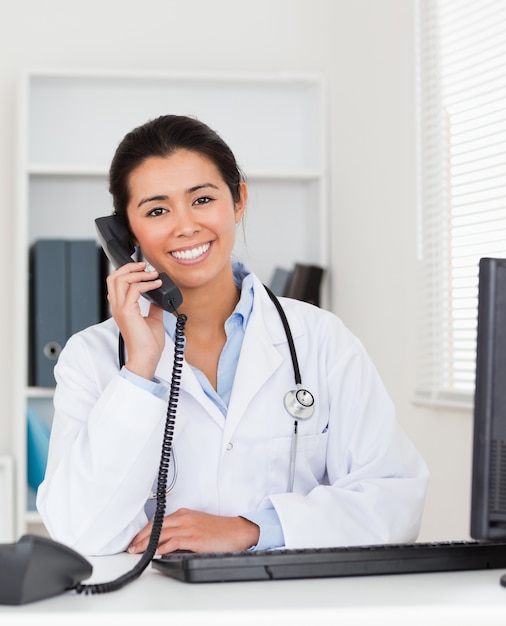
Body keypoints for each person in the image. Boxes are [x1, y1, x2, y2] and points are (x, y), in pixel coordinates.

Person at [37, 114, 429, 557]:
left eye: (202, 199)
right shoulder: (93, 358)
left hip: (292, 604)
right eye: (157, 210)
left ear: (238, 200)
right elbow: (76, 533)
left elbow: (395, 501)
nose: (185, 226)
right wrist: (139, 370)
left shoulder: (319, 339)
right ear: (126, 234)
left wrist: (251, 529)